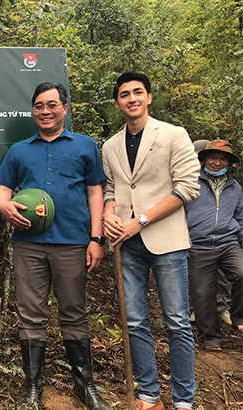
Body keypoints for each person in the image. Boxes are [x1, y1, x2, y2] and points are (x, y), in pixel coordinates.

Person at [0, 82, 112, 410]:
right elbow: (2, 191)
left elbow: (95, 194)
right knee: (31, 314)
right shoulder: (19, 150)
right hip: (28, 244)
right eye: (38, 106)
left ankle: (84, 387)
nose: (44, 111)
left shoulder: (85, 146)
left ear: (65, 108)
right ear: (33, 111)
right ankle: (33, 387)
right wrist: (3, 205)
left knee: (75, 312)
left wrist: (96, 238)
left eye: (51, 105)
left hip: (73, 242)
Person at [102, 71, 200, 410]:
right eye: (125, 94)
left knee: (175, 320)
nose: (132, 98)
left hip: (166, 240)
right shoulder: (111, 145)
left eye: (138, 92)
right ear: (117, 103)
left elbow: (187, 187)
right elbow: (112, 188)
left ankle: (184, 399)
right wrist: (109, 214)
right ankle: (148, 394)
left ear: (148, 97)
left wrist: (140, 221)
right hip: (125, 244)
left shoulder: (174, 135)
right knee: (134, 320)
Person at [185, 139, 243, 349]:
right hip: (198, 245)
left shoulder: (235, 188)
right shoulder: (191, 182)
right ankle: (211, 338)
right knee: (202, 294)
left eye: (223, 159)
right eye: (213, 157)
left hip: (228, 243)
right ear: (204, 160)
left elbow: (241, 217)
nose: (218, 163)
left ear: (229, 163)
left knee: (242, 272)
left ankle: (239, 317)